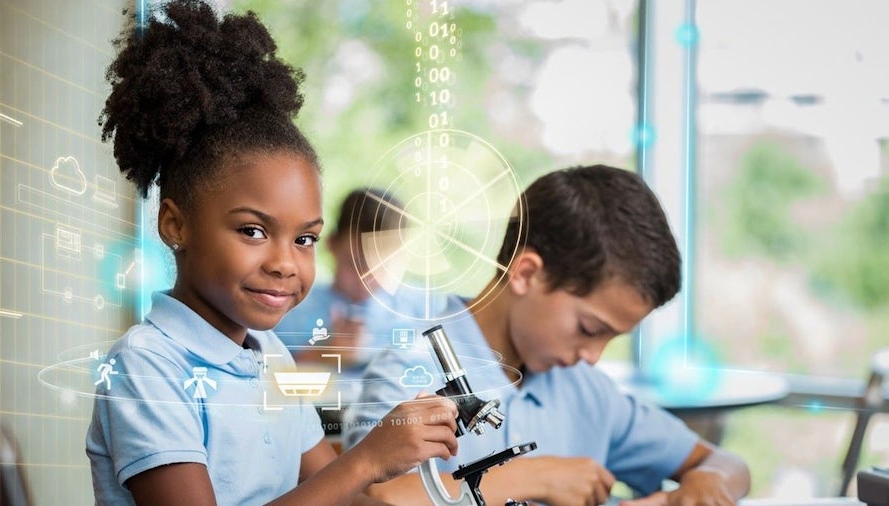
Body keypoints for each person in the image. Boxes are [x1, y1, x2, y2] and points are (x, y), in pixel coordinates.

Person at [84, 2, 458, 505]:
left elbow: (344, 498)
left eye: (303, 240)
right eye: (253, 231)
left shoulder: (272, 360)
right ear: (175, 224)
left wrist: (399, 446)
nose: (285, 263)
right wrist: (368, 457)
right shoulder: (147, 365)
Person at [343, 165, 751, 506]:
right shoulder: (408, 370)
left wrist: (709, 482)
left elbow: (725, 463)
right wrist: (528, 478)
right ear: (526, 274)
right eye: (589, 329)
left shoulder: (586, 392)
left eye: (611, 338)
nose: (592, 355)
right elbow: (369, 497)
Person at [275, 188, 424, 401]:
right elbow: (259, 383)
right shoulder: (289, 309)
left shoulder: (419, 311)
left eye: (382, 266)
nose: (367, 278)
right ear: (331, 244)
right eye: (355, 264)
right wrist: (324, 354)